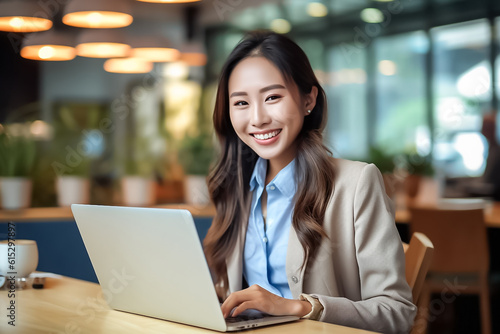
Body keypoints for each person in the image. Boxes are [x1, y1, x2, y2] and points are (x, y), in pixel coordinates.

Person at [203, 30, 416, 334]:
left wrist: (300, 307)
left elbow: (397, 312)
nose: (258, 118)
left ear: (308, 99)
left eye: (272, 97)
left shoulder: (356, 184)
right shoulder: (237, 188)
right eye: (241, 103)